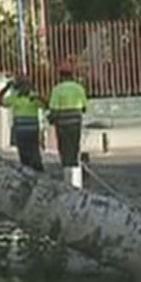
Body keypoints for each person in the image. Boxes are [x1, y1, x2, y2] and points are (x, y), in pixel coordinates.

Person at [48, 60, 88, 188]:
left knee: (65, 150)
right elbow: (84, 108)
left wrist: (51, 119)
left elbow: (53, 109)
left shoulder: (57, 89)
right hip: (76, 123)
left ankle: (68, 181)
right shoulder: (79, 88)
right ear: (72, 75)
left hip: (62, 125)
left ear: (61, 75)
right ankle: (77, 181)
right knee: (75, 149)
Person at [0, 76, 43, 171]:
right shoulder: (16, 98)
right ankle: (33, 172)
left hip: (25, 131)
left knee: (31, 155)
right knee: (30, 155)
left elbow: (47, 104)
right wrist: (5, 89)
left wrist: (6, 89)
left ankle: (34, 172)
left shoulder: (33, 98)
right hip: (29, 131)